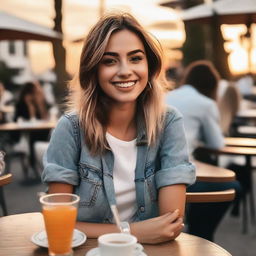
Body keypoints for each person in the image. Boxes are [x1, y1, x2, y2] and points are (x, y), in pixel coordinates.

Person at [41, 12, 195, 244]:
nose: (125, 70)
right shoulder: (71, 129)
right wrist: (129, 232)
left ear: (149, 66)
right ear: (93, 69)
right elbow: (59, 221)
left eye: (135, 58)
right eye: (109, 60)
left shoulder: (168, 122)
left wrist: (129, 233)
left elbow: (170, 224)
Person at [165, 60, 241, 241]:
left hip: (156, 169)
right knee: (231, 186)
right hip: (179, 171)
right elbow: (216, 143)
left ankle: (195, 227)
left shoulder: (167, 96)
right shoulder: (205, 103)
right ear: (212, 85)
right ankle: (202, 234)